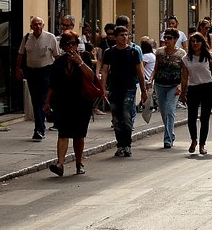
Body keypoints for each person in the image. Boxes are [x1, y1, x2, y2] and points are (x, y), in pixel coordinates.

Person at [44, 30, 96, 176]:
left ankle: (79, 163)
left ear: (77, 44)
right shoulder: (59, 62)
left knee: (79, 134)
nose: (70, 46)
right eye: (67, 44)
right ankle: (60, 164)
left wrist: (80, 63)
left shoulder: (84, 57)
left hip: (82, 102)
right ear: (62, 46)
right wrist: (47, 102)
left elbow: (92, 77)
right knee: (63, 132)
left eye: (73, 43)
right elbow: (52, 84)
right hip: (63, 102)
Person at [101, 26, 147, 157]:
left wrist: (143, 89)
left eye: (126, 35)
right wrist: (103, 88)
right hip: (114, 88)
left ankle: (127, 145)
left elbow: (140, 71)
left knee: (127, 116)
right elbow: (105, 70)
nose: (124, 37)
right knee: (116, 119)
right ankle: (120, 145)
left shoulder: (133, 52)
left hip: (129, 88)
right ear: (115, 37)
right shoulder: (109, 52)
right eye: (121, 35)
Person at [15, 16, 60, 141]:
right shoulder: (26, 38)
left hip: (46, 71)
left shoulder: (50, 37)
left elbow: (57, 56)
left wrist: (59, 73)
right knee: (35, 100)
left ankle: (39, 130)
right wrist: (18, 68)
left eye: (40, 24)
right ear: (31, 26)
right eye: (35, 24)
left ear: (43, 25)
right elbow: (21, 54)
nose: (38, 26)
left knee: (41, 100)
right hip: (31, 72)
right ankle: (42, 125)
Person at [180, 32, 212, 155]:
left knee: (205, 117)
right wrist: (183, 92)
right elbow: (184, 77)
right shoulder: (186, 59)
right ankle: (194, 140)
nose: (195, 43)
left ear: (202, 43)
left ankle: (202, 144)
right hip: (193, 88)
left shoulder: (209, 56)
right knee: (191, 117)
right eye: (193, 41)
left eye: (197, 41)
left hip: (207, 87)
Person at [151, 29, 186, 148]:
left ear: (175, 39)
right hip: (160, 85)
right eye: (165, 37)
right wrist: (151, 79)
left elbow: (184, 72)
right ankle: (170, 132)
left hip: (174, 86)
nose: (166, 40)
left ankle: (168, 139)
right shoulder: (159, 52)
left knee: (170, 110)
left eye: (169, 38)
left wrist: (181, 85)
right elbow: (156, 68)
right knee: (163, 112)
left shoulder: (181, 54)